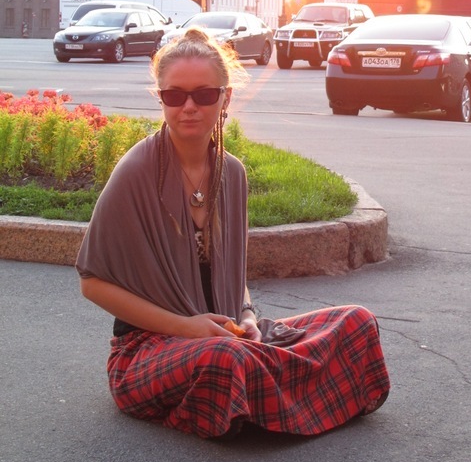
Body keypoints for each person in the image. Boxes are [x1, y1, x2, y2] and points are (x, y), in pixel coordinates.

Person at [76, 28, 390, 439]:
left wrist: (246, 316)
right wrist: (187, 327)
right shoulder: (136, 172)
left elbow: (230, 275)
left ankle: (257, 393)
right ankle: (294, 389)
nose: (189, 106)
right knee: (225, 361)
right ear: (160, 99)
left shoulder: (232, 173)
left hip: (228, 334)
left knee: (356, 322)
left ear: (225, 98)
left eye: (204, 95)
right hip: (153, 349)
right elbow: (92, 283)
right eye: (175, 96)